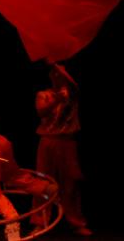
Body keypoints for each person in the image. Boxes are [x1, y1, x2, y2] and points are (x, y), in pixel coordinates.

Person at [34, 64, 90, 235]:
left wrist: (61, 69)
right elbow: (41, 111)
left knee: (71, 182)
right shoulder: (44, 94)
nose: (57, 76)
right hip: (48, 141)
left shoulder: (72, 95)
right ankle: (40, 221)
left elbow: (74, 86)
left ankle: (76, 222)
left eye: (60, 74)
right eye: (54, 74)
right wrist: (57, 98)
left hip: (67, 142)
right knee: (43, 182)